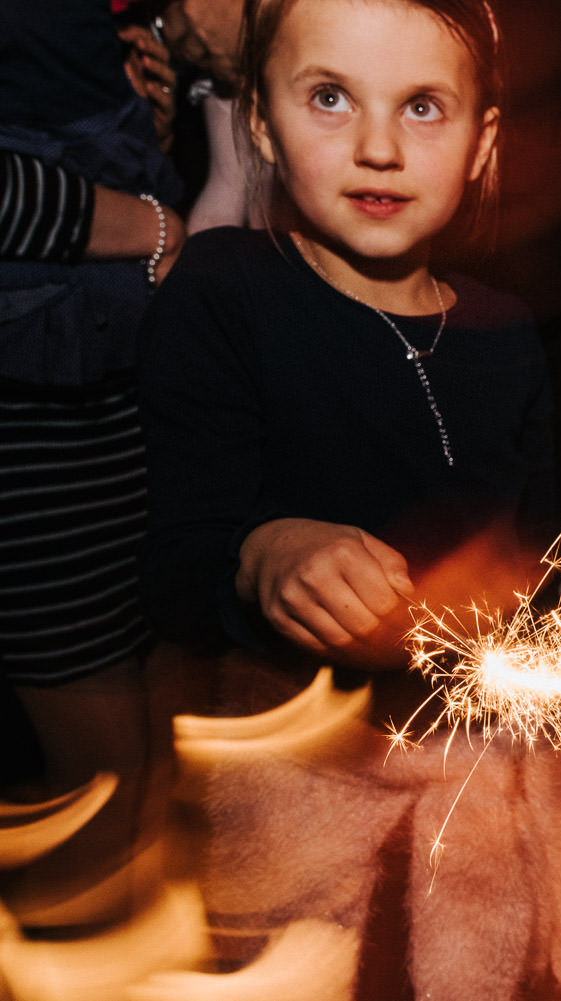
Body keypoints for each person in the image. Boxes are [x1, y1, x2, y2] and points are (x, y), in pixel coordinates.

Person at [136, 0, 561, 996]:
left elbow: (546, 563)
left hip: (481, 812)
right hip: (297, 816)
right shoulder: (225, 293)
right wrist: (263, 550)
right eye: (329, 98)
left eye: (425, 108)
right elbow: (172, 556)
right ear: (261, 122)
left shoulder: (509, 329)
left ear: (484, 142)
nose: (380, 147)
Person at [0, 0, 185, 931]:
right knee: (99, 795)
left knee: (144, 780)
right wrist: (145, 225)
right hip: (31, 401)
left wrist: (131, 117)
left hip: (104, 377)